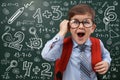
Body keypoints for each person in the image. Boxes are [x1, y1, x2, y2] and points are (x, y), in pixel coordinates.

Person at [41, 3, 111, 80]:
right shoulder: (61, 45)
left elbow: (105, 55)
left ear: (92, 28)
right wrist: (61, 33)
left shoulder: (97, 43)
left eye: (86, 22)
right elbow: (47, 55)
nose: (81, 27)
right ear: (69, 27)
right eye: (75, 22)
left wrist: (106, 62)